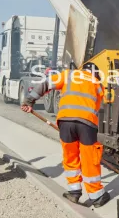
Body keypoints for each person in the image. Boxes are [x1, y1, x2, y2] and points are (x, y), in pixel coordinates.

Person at [21, 63, 109, 207]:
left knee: (70, 156)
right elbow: (97, 108)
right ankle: (97, 196)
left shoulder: (69, 75)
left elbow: (45, 84)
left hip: (65, 121)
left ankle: (74, 192)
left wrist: (29, 101)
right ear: (96, 73)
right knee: (89, 158)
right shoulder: (98, 84)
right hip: (87, 123)